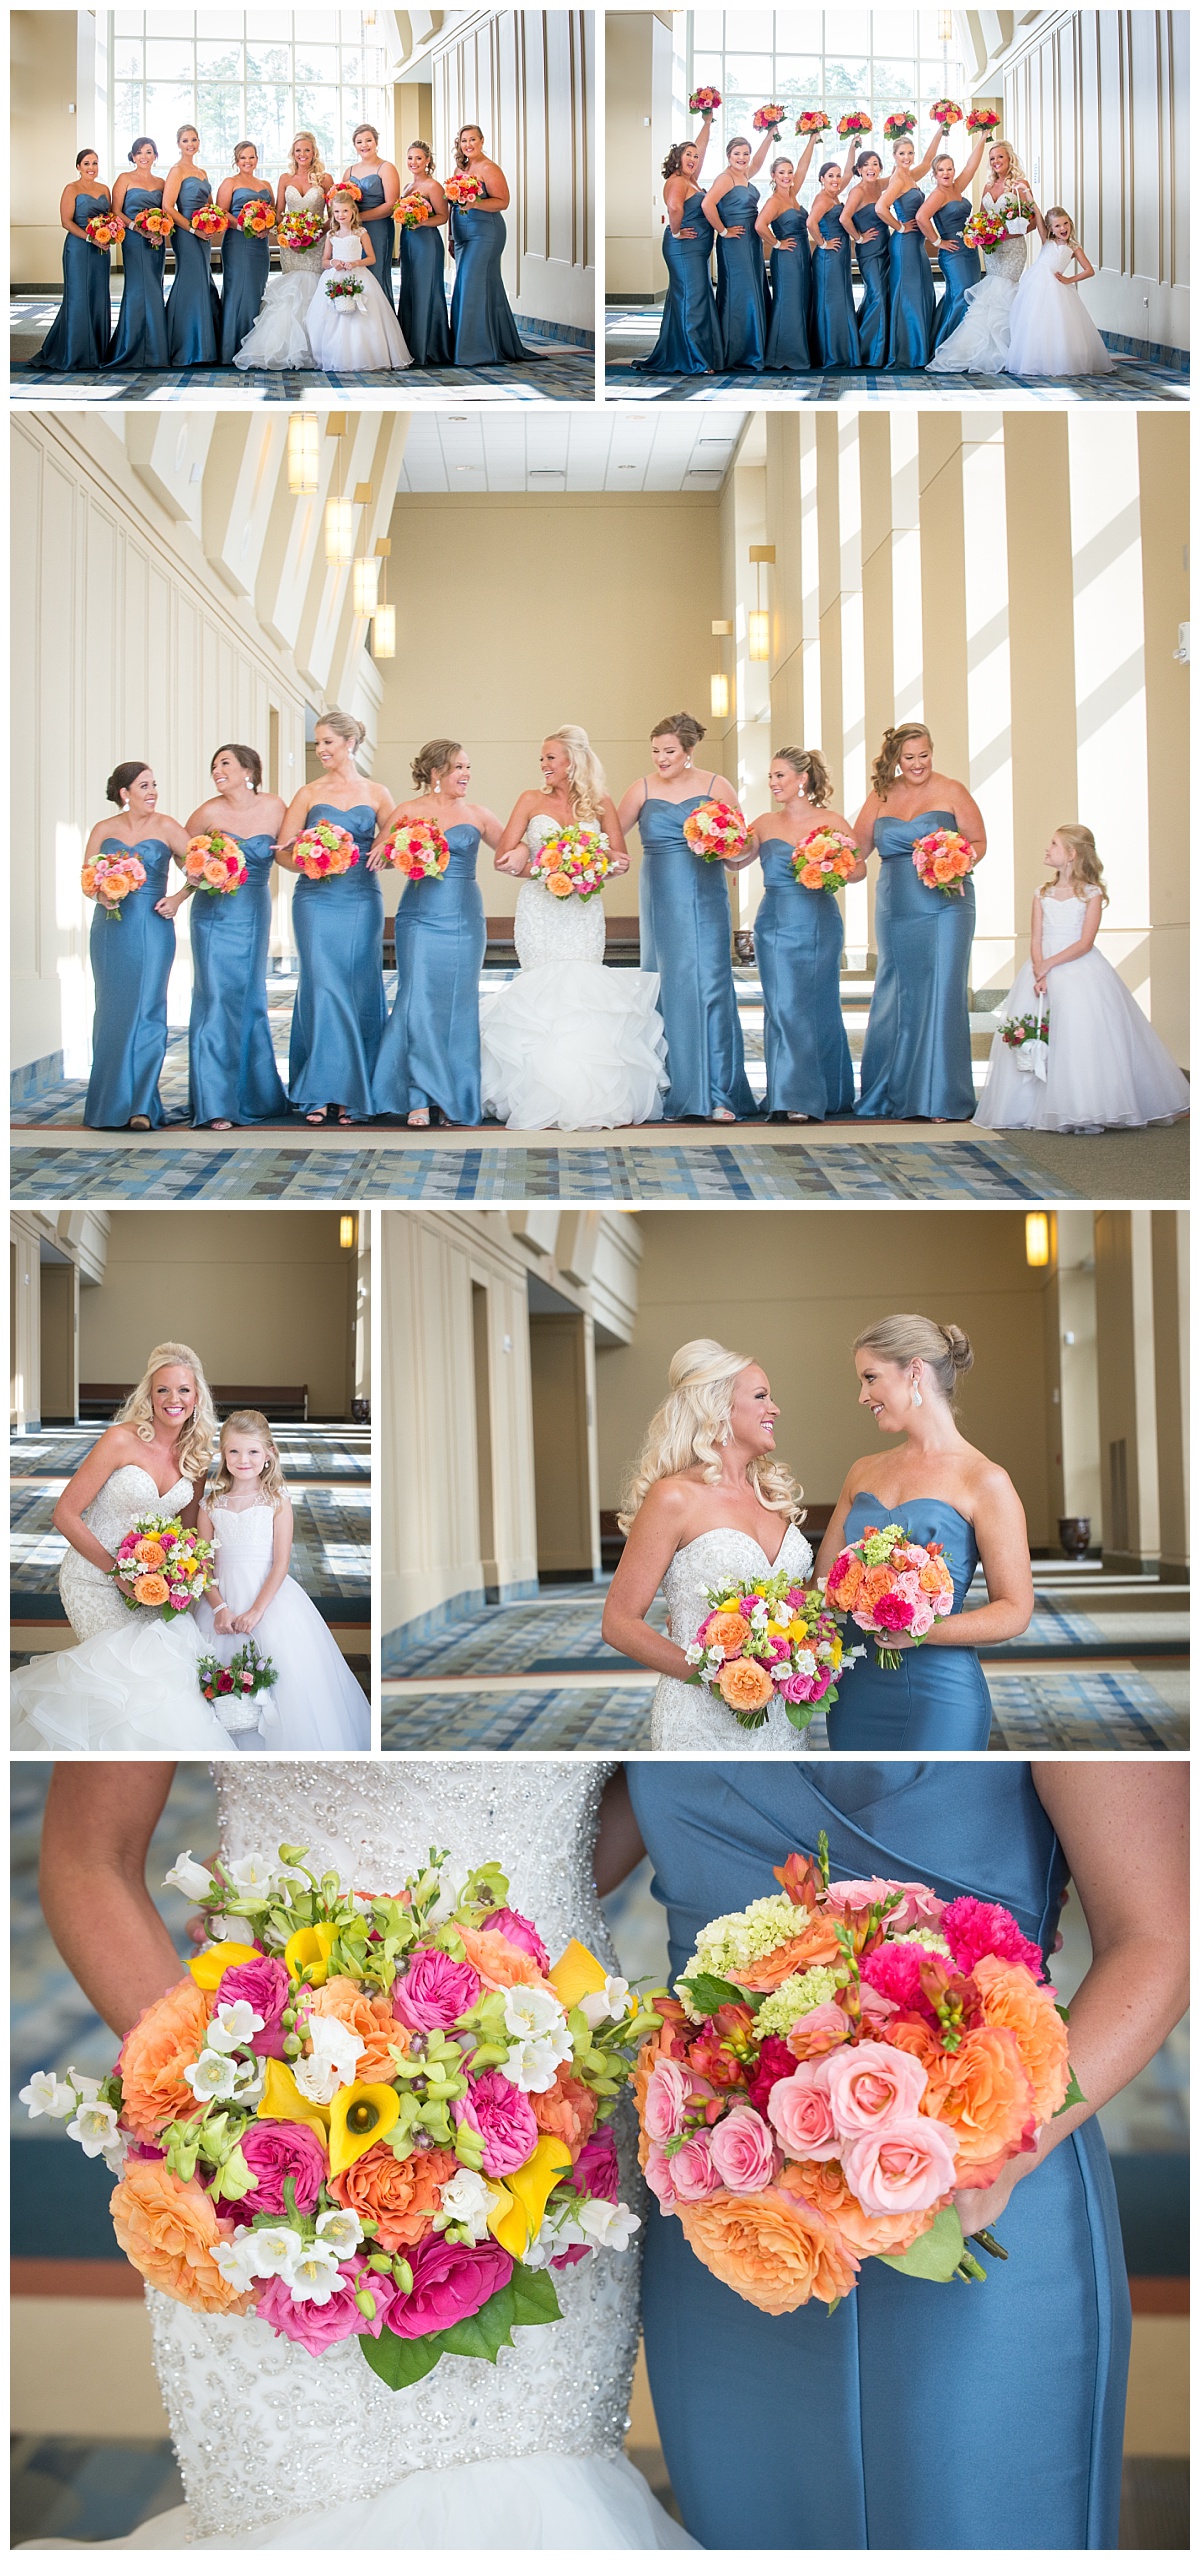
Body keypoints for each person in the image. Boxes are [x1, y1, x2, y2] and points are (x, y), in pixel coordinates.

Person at [36, 1757, 688, 2549]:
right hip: (278, 2102)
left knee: (544, 2480)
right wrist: (218, 2094)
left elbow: (592, 1818)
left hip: (544, 2088)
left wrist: (488, 1993)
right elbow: (89, 1858)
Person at [617, 1755, 1184, 2549]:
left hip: (982, 2188)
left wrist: (1005, 2153)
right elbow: (546, 1844)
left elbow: (1157, 1938)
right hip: (733, 2222)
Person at [813, 1314, 1033, 1750]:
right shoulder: (862, 1471)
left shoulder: (984, 1480)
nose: (862, 1396)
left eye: (870, 1378)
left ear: (914, 1371)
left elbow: (1015, 1609)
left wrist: (919, 1630)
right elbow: (820, 1588)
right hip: (855, 1687)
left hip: (941, 1693)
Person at [10, 1345, 234, 1753]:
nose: (173, 1400)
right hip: (92, 1578)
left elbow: (185, 1533)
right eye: (162, 1390)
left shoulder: (196, 1459)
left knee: (167, 1678)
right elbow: (65, 1514)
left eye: (183, 1390)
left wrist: (176, 1577)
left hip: (151, 1588)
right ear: (148, 1395)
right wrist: (118, 1573)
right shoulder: (119, 1440)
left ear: (197, 1397)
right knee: (122, 1679)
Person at [601, 1339, 813, 1754]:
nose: (775, 1408)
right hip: (701, 1721)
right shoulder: (674, 1497)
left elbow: (797, 1604)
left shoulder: (772, 1495)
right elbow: (618, 1623)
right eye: (761, 1396)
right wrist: (713, 1675)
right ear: (717, 1408)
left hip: (781, 1722)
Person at [480, 728, 667, 1130]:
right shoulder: (529, 800)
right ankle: (535, 1094)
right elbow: (503, 858)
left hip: (582, 910)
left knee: (583, 993)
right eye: (542, 759)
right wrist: (545, 866)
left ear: (572, 762)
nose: (544, 765)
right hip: (540, 910)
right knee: (542, 991)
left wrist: (595, 867)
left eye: (551, 758)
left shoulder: (600, 803)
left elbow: (620, 857)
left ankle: (589, 1096)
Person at [974, 826, 1190, 1133]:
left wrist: (1049, 965)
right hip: (1040, 972)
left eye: (1054, 844)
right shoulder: (1042, 893)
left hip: (1079, 969)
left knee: (1080, 1036)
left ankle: (1084, 1105)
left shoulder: (1090, 893)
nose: (1047, 849)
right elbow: (1036, 938)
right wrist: (1039, 970)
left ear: (1072, 854)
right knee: (1035, 1033)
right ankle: (1029, 1106)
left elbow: (1084, 942)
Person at [196, 1411, 370, 1751]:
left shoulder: (276, 1501)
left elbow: (281, 1562)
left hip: (269, 1600)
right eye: (233, 1452)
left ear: (268, 1454)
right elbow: (204, 1564)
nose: (242, 1460)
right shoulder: (210, 1504)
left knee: (285, 1681)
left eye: (252, 1452)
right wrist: (220, 1607)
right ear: (223, 1453)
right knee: (213, 1675)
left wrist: (257, 1611)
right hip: (221, 1603)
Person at [617, 714, 756, 1122]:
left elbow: (740, 852)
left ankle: (718, 1092)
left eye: (670, 751)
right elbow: (609, 839)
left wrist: (730, 848)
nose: (661, 759)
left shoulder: (717, 787)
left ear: (689, 751)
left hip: (708, 896)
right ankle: (674, 1087)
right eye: (656, 751)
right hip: (660, 897)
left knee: (711, 984)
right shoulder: (640, 788)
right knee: (670, 984)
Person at [855, 722, 985, 1122]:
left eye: (924, 755)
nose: (917, 765)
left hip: (947, 904)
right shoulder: (880, 795)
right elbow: (857, 850)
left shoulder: (952, 790)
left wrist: (955, 860)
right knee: (897, 989)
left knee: (942, 989)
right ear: (895, 759)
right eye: (909, 758)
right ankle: (890, 1092)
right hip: (895, 905)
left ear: (933, 751)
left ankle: (939, 1095)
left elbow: (978, 842)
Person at [371, 737, 501, 1126]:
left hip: (464, 918)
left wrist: (561, 862)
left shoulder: (479, 814)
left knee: (458, 1005)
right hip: (419, 917)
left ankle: (452, 1095)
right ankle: (416, 1095)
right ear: (436, 772)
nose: (466, 774)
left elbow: (516, 851)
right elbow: (381, 856)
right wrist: (403, 851)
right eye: (459, 767)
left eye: (468, 767)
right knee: (416, 1000)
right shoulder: (409, 810)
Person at [276, 710, 394, 1125]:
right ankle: (321, 1089)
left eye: (327, 741)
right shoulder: (308, 794)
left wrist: (386, 853)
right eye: (317, 742)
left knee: (359, 986)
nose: (320, 749)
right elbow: (283, 853)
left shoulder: (379, 794)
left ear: (350, 743)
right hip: (315, 901)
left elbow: (393, 852)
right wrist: (309, 860)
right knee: (322, 985)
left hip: (362, 900)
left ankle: (355, 1089)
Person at [735, 745, 861, 1120]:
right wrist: (717, 842)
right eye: (771, 777)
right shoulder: (764, 823)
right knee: (782, 1005)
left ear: (801, 779)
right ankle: (791, 1095)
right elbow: (735, 862)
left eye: (780, 776)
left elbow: (859, 872)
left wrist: (831, 862)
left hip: (819, 920)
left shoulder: (832, 820)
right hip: (774, 922)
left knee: (817, 1004)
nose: (773, 783)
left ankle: (821, 1091)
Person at [181, 743, 288, 1130]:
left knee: (248, 996)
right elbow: (183, 853)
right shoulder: (208, 812)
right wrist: (197, 870)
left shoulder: (275, 807)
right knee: (214, 998)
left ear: (248, 769)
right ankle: (215, 1102)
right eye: (213, 766)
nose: (216, 771)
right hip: (212, 913)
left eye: (224, 763)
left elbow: (287, 851)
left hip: (254, 910)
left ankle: (255, 1094)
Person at [81, 761, 190, 1131]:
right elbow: (87, 878)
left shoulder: (167, 827)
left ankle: (142, 1105)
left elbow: (203, 866)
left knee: (147, 1012)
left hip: (152, 930)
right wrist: (101, 895)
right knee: (111, 1014)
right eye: (144, 786)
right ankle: (108, 1104)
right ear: (125, 793)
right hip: (110, 931)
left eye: (154, 784)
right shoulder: (103, 829)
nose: (152, 792)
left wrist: (177, 897)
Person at [928, 137, 1045, 375]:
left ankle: (1012, 350)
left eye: (999, 157)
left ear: (1009, 158)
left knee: (1005, 292)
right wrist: (981, 235)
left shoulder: (1019, 184)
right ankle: (985, 349)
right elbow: (981, 218)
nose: (995, 162)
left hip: (1012, 249)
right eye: (992, 159)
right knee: (990, 297)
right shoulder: (988, 186)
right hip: (992, 251)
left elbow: (1033, 220)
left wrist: (1008, 235)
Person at [230, 130, 331, 372]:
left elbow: (335, 212)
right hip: (291, 246)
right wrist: (285, 231)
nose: (302, 154)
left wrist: (318, 231)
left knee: (313, 290)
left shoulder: (325, 179)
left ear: (314, 152)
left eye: (307, 150)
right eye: (298, 150)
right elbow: (278, 213)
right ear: (293, 154)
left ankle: (317, 347)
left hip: (317, 243)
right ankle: (281, 348)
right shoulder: (285, 179)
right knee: (291, 293)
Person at [633, 121, 721, 377]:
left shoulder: (690, 179)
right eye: (688, 155)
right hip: (683, 249)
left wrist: (707, 121)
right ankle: (694, 359)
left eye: (695, 155)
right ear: (677, 159)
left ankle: (690, 351)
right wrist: (675, 231)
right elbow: (674, 208)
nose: (694, 158)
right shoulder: (677, 181)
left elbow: (702, 147)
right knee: (691, 300)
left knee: (692, 298)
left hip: (696, 249)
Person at [305, 186, 412, 372]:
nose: (341, 215)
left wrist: (355, 263)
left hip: (358, 275)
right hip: (334, 276)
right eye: (337, 211)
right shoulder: (331, 235)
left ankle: (362, 355)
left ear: (353, 211)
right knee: (332, 316)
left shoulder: (360, 232)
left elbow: (372, 258)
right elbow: (324, 261)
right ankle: (332, 355)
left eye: (345, 210)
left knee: (362, 317)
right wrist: (333, 262)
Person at [1004, 207, 1115, 377]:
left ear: (1070, 223)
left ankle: (1059, 360)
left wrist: (1069, 280)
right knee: (1035, 321)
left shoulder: (1073, 246)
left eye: (1065, 224)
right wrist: (1026, 192)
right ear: (1050, 229)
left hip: (1056, 288)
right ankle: (1036, 358)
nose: (1063, 229)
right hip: (1035, 285)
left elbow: (1089, 270)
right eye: (1057, 226)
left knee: (1057, 323)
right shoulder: (1046, 240)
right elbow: (1038, 216)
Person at [702, 127, 777, 372]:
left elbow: (759, 160)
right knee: (739, 293)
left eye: (745, 153)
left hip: (751, 242)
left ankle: (753, 346)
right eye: (737, 154)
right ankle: (736, 350)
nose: (742, 158)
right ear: (728, 155)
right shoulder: (726, 178)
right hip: (734, 243)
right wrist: (723, 231)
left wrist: (769, 136)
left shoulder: (744, 174)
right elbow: (707, 204)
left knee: (754, 289)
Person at [35, 148, 113, 370]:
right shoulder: (71, 189)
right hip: (78, 248)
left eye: (95, 163)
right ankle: (74, 352)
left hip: (101, 249)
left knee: (98, 295)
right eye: (87, 163)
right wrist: (91, 238)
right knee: (78, 296)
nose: (91, 168)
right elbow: (66, 222)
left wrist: (107, 234)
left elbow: (109, 218)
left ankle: (97, 351)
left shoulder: (104, 189)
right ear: (78, 166)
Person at [876, 125, 943, 369]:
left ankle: (918, 348)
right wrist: (900, 227)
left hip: (916, 244)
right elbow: (881, 207)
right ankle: (907, 352)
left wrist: (939, 131)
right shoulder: (897, 180)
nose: (907, 158)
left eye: (910, 153)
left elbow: (928, 161)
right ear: (894, 156)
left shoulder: (910, 176)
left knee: (921, 292)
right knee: (909, 295)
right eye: (902, 154)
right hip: (904, 244)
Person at [916, 131, 988, 350]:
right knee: (960, 294)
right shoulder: (938, 194)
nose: (946, 173)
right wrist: (938, 242)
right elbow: (921, 217)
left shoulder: (956, 187)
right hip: (953, 252)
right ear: (935, 175)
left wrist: (983, 137)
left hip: (969, 251)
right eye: (941, 170)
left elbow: (971, 167)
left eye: (949, 169)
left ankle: (963, 343)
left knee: (968, 293)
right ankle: (948, 345)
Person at [105, 136, 169, 369]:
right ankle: (131, 346)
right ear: (133, 156)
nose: (144, 156)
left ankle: (154, 348)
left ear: (155, 156)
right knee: (136, 288)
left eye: (149, 152)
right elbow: (115, 211)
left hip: (156, 241)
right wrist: (136, 228)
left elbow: (166, 211)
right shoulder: (124, 179)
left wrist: (161, 230)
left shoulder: (162, 182)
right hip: (133, 239)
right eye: (140, 152)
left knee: (154, 287)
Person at [162, 124, 221, 365]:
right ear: (178, 144)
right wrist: (192, 228)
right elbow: (167, 206)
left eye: (194, 139)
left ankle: (204, 344)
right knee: (191, 280)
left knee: (202, 280)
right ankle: (186, 346)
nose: (190, 144)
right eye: (186, 140)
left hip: (202, 233)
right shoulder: (176, 171)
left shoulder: (202, 172)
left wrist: (211, 224)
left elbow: (210, 205)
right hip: (185, 232)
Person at [757, 145, 817, 371]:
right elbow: (759, 226)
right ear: (773, 176)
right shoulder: (774, 201)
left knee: (801, 300)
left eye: (789, 172)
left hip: (802, 254)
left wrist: (812, 139)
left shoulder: (792, 194)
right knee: (788, 302)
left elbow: (803, 166)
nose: (787, 176)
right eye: (782, 172)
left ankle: (800, 350)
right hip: (786, 257)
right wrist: (777, 243)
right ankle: (782, 354)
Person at [215, 141, 275, 363]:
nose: (248, 161)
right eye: (243, 157)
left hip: (260, 245)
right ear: (236, 160)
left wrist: (267, 226)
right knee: (237, 289)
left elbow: (274, 213)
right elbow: (221, 212)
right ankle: (230, 347)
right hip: (238, 242)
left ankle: (253, 346)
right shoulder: (230, 182)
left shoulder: (266, 184)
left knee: (256, 289)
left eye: (251, 157)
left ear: (257, 159)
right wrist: (243, 226)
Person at [396, 141, 451, 366]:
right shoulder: (408, 187)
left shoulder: (433, 186)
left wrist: (422, 221)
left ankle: (429, 347)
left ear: (427, 160)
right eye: (410, 158)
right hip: (409, 241)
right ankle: (410, 345)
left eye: (418, 158)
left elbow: (443, 216)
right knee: (410, 290)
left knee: (425, 290)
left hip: (426, 242)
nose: (413, 163)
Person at [807, 146, 860, 367]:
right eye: (831, 176)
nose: (836, 179)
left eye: (837, 176)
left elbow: (849, 172)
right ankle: (831, 353)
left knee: (838, 300)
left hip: (838, 256)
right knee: (831, 302)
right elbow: (810, 222)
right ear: (821, 179)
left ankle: (839, 349)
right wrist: (823, 243)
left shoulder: (834, 196)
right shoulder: (824, 199)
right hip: (828, 258)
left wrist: (851, 149)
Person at [343, 120, 400, 310]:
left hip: (378, 228)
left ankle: (381, 323)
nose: (364, 145)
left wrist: (359, 218)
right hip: (353, 231)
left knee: (375, 272)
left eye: (368, 140)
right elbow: (341, 200)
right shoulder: (349, 171)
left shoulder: (386, 168)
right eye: (359, 142)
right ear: (354, 145)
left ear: (376, 142)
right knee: (355, 272)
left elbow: (391, 204)